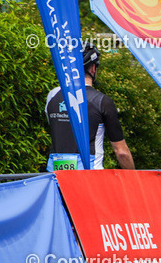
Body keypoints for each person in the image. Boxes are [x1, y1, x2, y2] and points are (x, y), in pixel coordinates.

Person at [44, 43, 135, 171]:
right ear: (93, 68)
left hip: (56, 174)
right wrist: (133, 178)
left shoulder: (52, 95)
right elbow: (121, 152)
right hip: (90, 176)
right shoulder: (102, 101)